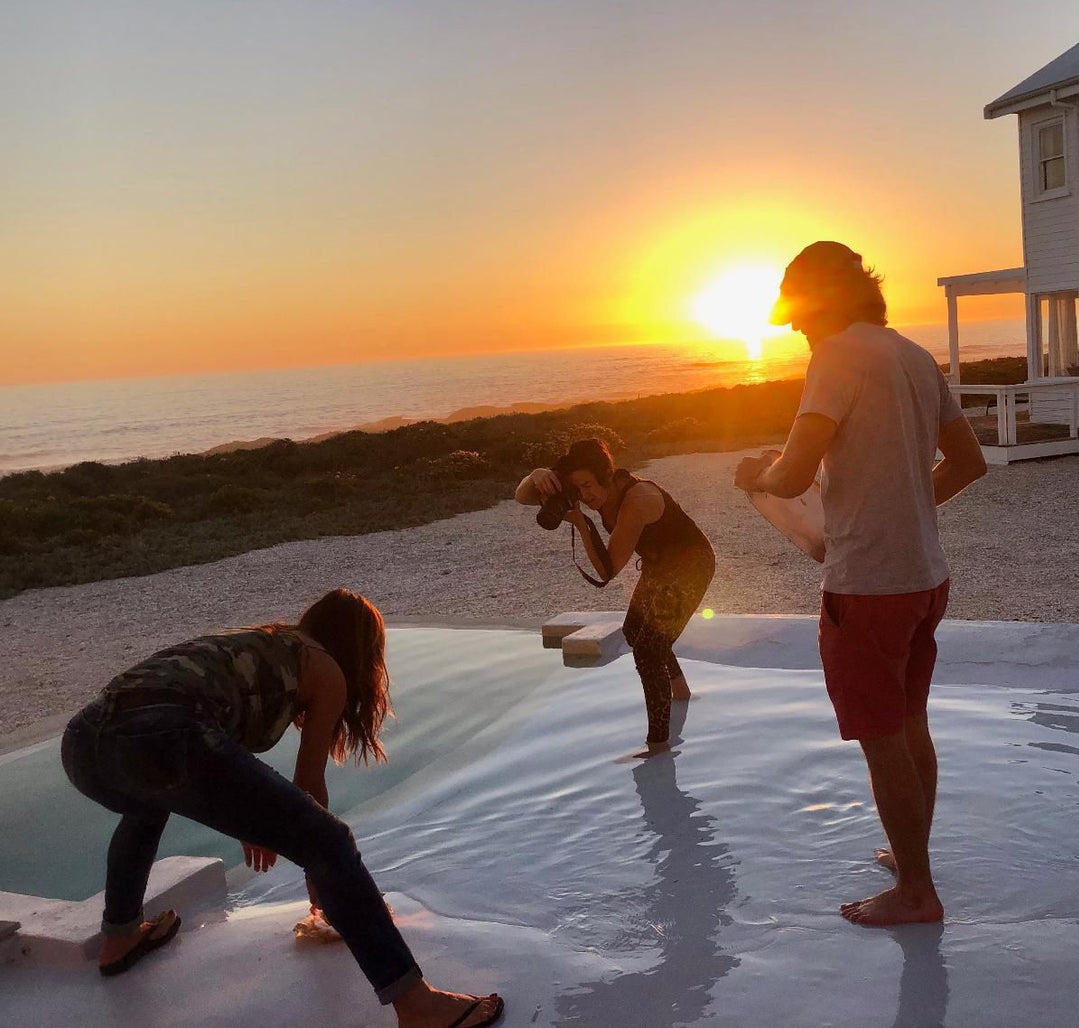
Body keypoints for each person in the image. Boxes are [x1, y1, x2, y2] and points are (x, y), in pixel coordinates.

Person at [60, 588, 503, 1028]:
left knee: (145, 803)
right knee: (330, 840)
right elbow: (308, 786)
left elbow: (200, 729)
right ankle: (419, 1006)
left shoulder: (265, 643)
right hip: (161, 738)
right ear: (362, 648)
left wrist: (250, 818)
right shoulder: (325, 668)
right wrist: (320, 874)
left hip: (84, 744)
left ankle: (119, 937)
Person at [734, 241, 988, 928]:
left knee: (881, 738)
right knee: (909, 724)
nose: (800, 336)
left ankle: (914, 893)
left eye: (799, 321)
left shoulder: (836, 357)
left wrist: (754, 473)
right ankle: (912, 861)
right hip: (923, 579)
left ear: (819, 305)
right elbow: (968, 464)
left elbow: (791, 477)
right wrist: (901, 506)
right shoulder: (910, 354)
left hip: (867, 588)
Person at [516, 438, 715, 758]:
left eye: (588, 485)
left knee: (649, 651)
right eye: (576, 488)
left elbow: (607, 571)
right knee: (634, 631)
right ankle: (682, 692)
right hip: (658, 566)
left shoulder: (638, 500)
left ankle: (659, 746)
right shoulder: (593, 491)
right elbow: (523, 496)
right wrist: (537, 475)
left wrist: (581, 523)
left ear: (607, 476)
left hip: (692, 566)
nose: (584, 495)